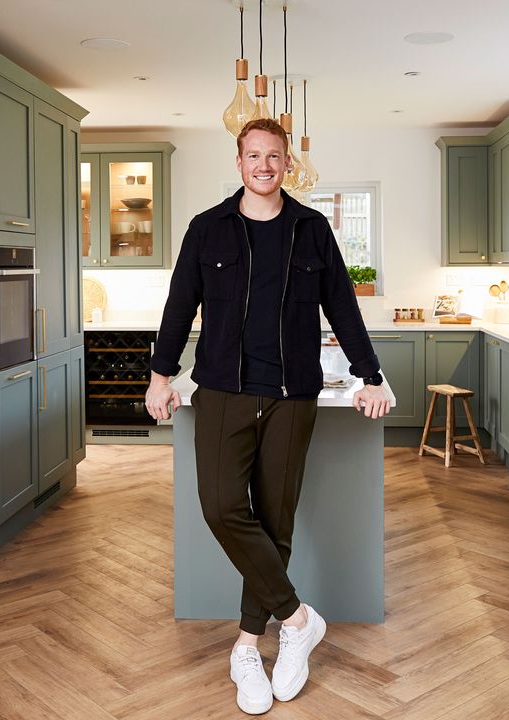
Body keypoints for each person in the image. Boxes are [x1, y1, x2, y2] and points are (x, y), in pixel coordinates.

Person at [145, 117, 391, 715]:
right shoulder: (208, 229)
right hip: (224, 390)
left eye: (273, 156)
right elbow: (180, 304)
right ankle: (299, 618)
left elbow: (341, 306)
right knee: (222, 506)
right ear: (239, 161)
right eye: (253, 155)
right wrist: (159, 373)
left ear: (287, 164)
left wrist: (369, 373)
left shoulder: (312, 229)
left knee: (276, 521)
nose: (264, 165)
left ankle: (248, 647)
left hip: (291, 396)